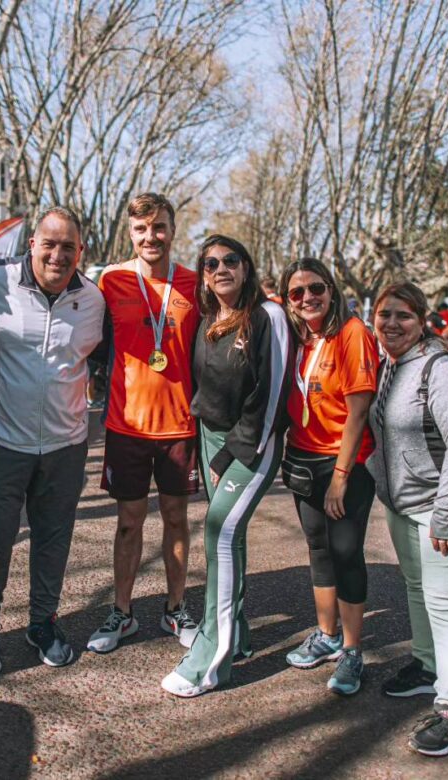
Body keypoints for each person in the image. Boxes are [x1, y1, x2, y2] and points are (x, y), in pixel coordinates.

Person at [0, 206, 105, 675]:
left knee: (53, 541)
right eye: (50, 243)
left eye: (69, 247)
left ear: (81, 252)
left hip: (65, 446)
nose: (58, 255)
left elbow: (98, 361)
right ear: (32, 245)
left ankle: (43, 621)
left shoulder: (95, 300)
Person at [160, 235, 293, 698]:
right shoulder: (208, 319)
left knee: (218, 533)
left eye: (230, 260)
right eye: (210, 262)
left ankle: (209, 660)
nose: (220, 268)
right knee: (227, 540)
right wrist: (208, 446)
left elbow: (272, 395)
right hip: (210, 437)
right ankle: (236, 638)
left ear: (246, 266)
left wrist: (231, 453)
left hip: (252, 443)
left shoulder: (268, 315)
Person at [367, 281, 448, 757]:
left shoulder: (441, 368)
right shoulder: (389, 367)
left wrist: (442, 514)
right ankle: (425, 665)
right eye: (384, 315)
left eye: (403, 316)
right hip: (403, 503)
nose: (392, 324)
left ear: (422, 322)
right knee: (416, 588)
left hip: (446, 508)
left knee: (446, 602)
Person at [87, 193, 202, 654]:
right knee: (128, 523)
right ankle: (122, 611)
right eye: (141, 229)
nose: (150, 236)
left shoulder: (196, 283)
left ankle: (176, 609)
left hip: (179, 426)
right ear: (129, 233)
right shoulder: (110, 281)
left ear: (173, 231)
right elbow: (91, 343)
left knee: (176, 519)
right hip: (126, 425)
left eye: (159, 228)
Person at [278, 258, 379, 696]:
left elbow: (359, 409)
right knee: (318, 547)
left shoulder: (351, 333)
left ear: (331, 290)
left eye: (315, 289)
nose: (307, 299)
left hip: (344, 462)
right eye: (297, 293)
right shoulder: (298, 335)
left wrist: (341, 475)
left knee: (346, 552)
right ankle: (327, 634)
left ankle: (353, 651)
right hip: (302, 458)